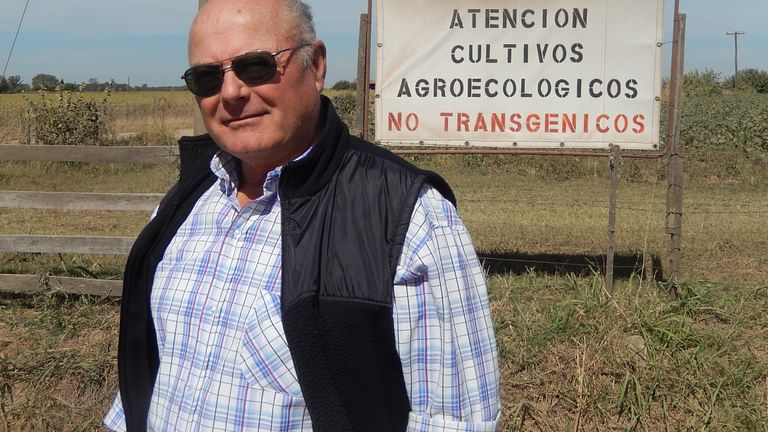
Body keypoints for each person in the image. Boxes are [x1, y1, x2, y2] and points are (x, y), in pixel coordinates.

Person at [104, 0, 499, 430]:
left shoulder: (410, 219)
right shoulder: (186, 201)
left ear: (317, 66)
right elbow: (150, 376)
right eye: (207, 77)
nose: (232, 93)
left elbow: (453, 420)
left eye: (256, 66)